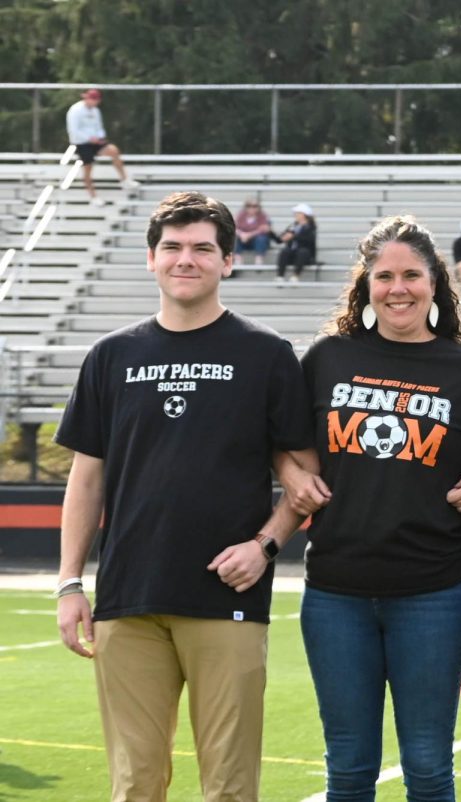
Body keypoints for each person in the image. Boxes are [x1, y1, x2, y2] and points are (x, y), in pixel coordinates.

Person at [53, 191, 312, 802]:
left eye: (202, 248)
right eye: (171, 247)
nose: (185, 260)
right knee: (134, 784)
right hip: (127, 597)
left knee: (228, 786)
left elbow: (306, 479)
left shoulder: (266, 353)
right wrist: (69, 582)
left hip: (227, 596)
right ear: (151, 259)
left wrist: (265, 547)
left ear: (228, 261)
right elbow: (85, 480)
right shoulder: (111, 355)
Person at [275, 215, 461, 802]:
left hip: (434, 596)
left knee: (429, 768)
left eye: (411, 275)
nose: (398, 288)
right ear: (366, 286)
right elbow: (281, 443)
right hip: (335, 595)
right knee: (349, 769)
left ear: (436, 284)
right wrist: (290, 475)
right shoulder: (327, 358)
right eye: (384, 276)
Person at [64, 88, 139, 206]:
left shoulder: (95, 111)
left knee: (114, 150)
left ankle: (124, 179)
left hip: (95, 142)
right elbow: (73, 130)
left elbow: (99, 127)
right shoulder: (75, 110)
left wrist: (99, 137)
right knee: (88, 168)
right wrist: (89, 138)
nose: (94, 103)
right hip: (82, 143)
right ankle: (93, 197)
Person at [276, 203, 317, 283]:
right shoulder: (293, 226)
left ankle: (296, 275)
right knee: (285, 251)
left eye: (298, 213)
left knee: (303, 251)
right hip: (293, 253)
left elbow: (309, 240)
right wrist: (270, 233)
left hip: (305, 255)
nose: (295, 215)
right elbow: (279, 240)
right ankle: (280, 276)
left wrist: (294, 236)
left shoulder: (311, 227)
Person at [233, 199, 272, 268]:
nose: (252, 208)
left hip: (256, 241)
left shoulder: (263, 216)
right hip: (243, 240)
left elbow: (264, 229)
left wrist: (249, 235)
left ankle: (259, 259)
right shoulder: (241, 215)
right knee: (235, 238)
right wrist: (241, 234)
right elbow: (234, 227)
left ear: (258, 207)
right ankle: (238, 258)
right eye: (249, 206)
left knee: (261, 238)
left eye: (255, 206)